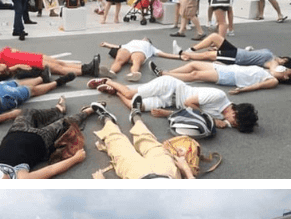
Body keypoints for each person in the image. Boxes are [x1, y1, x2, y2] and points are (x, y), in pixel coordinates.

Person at [0, 98, 98, 179]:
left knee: (28, 112)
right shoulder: (20, 178)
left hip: (16, 130)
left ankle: (57, 110)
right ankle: (86, 112)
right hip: (42, 139)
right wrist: (75, 159)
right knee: (65, 123)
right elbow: (50, 170)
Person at [91, 75, 259, 132]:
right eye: (235, 122)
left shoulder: (222, 115)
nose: (231, 124)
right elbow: (189, 103)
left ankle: (114, 91)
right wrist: (212, 121)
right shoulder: (219, 96)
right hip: (170, 87)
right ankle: (109, 80)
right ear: (235, 113)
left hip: (170, 102)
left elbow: (193, 115)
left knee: (133, 106)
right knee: (130, 93)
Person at [91, 104, 197, 179]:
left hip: (138, 177)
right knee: (150, 143)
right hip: (168, 174)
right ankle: (136, 116)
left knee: (119, 147)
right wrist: (186, 168)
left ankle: (107, 118)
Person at [152, 60, 291, 93]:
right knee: (193, 64)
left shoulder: (273, 80)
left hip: (232, 77)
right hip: (230, 68)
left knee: (196, 75)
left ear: (285, 77)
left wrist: (242, 90)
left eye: (286, 71)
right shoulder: (271, 70)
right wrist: (279, 68)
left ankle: (164, 75)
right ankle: (168, 71)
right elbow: (274, 61)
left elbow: (258, 86)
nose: (284, 68)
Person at [172, 32, 291, 68]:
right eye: (283, 59)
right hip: (238, 51)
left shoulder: (272, 62)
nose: (282, 60)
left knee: (208, 55)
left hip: (237, 58)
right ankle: (190, 50)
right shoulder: (271, 54)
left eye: (284, 62)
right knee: (214, 37)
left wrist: (279, 70)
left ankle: (183, 54)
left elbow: (273, 71)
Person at [0, 47, 102, 77]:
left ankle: (86, 66)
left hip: (30, 57)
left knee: (60, 63)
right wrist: (18, 66)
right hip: (28, 62)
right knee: (59, 68)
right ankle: (87, 70)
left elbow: (14, 51)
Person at [99, 38, 182, 82]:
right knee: (120, 60)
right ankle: (111, 72)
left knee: (135, 62)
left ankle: (134, 74)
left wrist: (179, 56)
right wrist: (107, 44)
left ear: (148, 41)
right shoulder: (134, 41)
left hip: (139, 51)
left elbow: (163, 54)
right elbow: (119, 46)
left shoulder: (151, 46)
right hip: (127, 49)